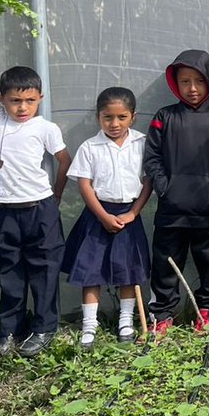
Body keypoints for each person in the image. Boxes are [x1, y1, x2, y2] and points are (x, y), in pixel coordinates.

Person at [0, 41, 71, 357]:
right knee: (9, 273)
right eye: (15, 100)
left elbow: (64, 160)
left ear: (40, 99)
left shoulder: (45, 127)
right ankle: (9, 332)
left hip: (40, 210)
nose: (22, 107)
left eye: (30, 100)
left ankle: (44, 329)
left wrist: (55, 195)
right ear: (1, 100)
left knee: (44, 272)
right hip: (3, 211)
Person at [144, 49, 209, 335]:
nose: (193, 88)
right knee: (165, 263)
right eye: (185, 82)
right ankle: (162, 315)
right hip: (171, 210)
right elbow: (152, 158)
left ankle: (207, 311)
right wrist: (165, 189)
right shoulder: (165, 116)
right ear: (176, 84)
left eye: (198, 81)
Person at [62, 87, 152, 349]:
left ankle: (126, 319)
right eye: (107, 118)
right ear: (98, 117)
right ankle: (89, 324)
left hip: (129, 215)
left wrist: (133, 213)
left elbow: (148, 181)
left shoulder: (142, 143)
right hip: (97, 215)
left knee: (128, 269)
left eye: (121, 117)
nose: (115, 124)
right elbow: (85, 184)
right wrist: (102, 216)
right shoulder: (90, 147)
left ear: (133, 117)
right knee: (91, 270)